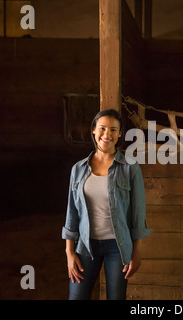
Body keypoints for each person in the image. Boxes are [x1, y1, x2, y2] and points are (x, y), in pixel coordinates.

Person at [62, 109, 152, 300]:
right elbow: (72, 213)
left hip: (117, 247)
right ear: (94, 130)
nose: (107, 134)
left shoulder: (130, 167)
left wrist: (137, 253)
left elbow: (138, 213)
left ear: (119, 134)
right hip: (86, 245)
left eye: (113, 129)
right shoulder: (78, 169)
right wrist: (70, 252)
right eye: (102, 128)